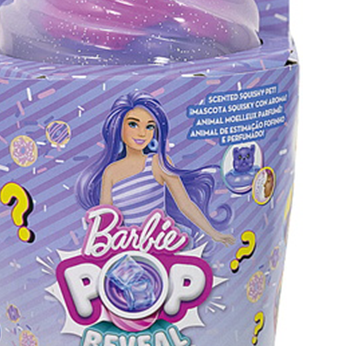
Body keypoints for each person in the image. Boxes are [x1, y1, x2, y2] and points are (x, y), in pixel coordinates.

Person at [75, 91, 235, 246]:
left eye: (149, 127)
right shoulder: (111, 172)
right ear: (118, 127)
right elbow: (107, 219)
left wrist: (213, 233)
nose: (142, 133)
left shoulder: (157, 163)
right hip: (126, 245)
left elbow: (185, 204)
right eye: (133, 124)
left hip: (162, 242)